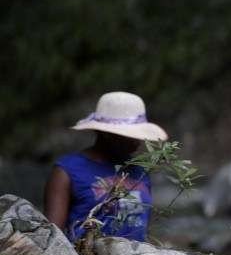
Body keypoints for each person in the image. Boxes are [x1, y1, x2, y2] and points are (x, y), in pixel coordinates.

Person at [44, 91, 167, 242]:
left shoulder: (139, 170)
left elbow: (141, 225)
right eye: (130, 135)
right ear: (107, 134)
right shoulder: (67, 171)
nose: (138, 141)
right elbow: (52, 239)